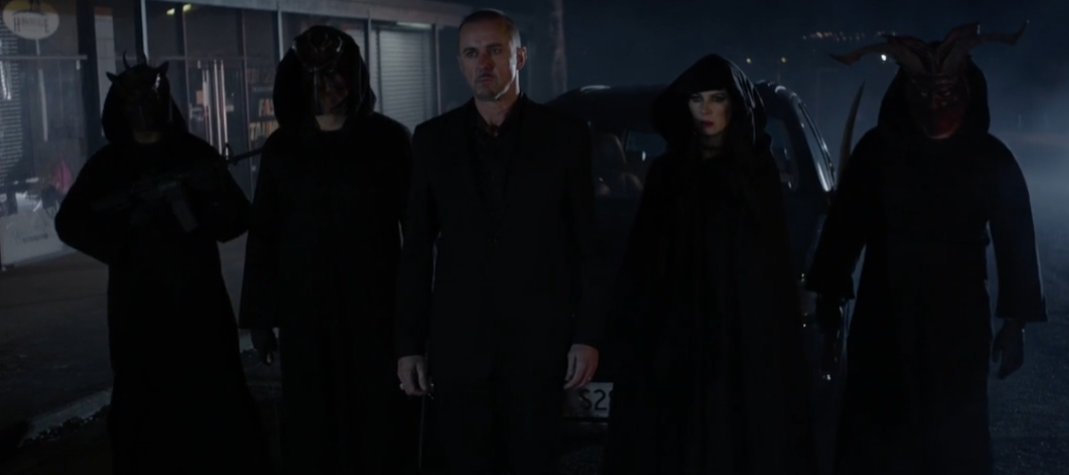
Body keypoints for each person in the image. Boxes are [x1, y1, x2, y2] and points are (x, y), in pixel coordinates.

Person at [808, 22, 1044, 475]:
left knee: (954, 438)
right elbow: (843, 232)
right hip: (884, 316)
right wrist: (831, 312)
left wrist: (1016, 324)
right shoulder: (877, 153)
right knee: (878, 435)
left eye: (947, 92)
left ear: (967, 92)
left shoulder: (989, 158)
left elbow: (1016, 240)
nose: (936, 104)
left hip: (958, 323)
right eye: (924, 92)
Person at [394, 9, 601, 475]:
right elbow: (416, 249)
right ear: (460, 63)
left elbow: (587, 245)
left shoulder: (565, 136)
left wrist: (586, 336)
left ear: (519, 57)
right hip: (459, 348)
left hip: (538, 345)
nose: (483, 63)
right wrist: (409, 344)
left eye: (494, 50)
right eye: (471, 53)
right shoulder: (432, 140)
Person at [599, 54, 817, 475]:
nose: (706, 109)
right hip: (676, 334)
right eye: (696, 99)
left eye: (717, 98)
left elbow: (769, 262)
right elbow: (644, 259)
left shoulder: (756, 173)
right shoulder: (668, 173)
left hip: (740, 335)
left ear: (734, 104)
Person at [54, 55, 267, 474]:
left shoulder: (194, 153)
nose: (143, 109)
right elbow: (70, 223)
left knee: (214, 406)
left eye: (150, 99)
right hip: (138, 308)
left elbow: (238, 218)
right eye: (134, 101)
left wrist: (206, 203)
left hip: (199, 304)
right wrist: (124, 233)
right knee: (144, 412)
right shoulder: (108, 165)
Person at [237, 26, 415, 475]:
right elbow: (264, 234)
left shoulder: (389, 141)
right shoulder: (282, 149)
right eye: (314, 76)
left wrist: (417, 317)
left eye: (336, 73)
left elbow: (416, 232)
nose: (327, 86)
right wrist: (260, 316)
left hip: (375, 310)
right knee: (311, 421)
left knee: (377, 419)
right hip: (304, 312)